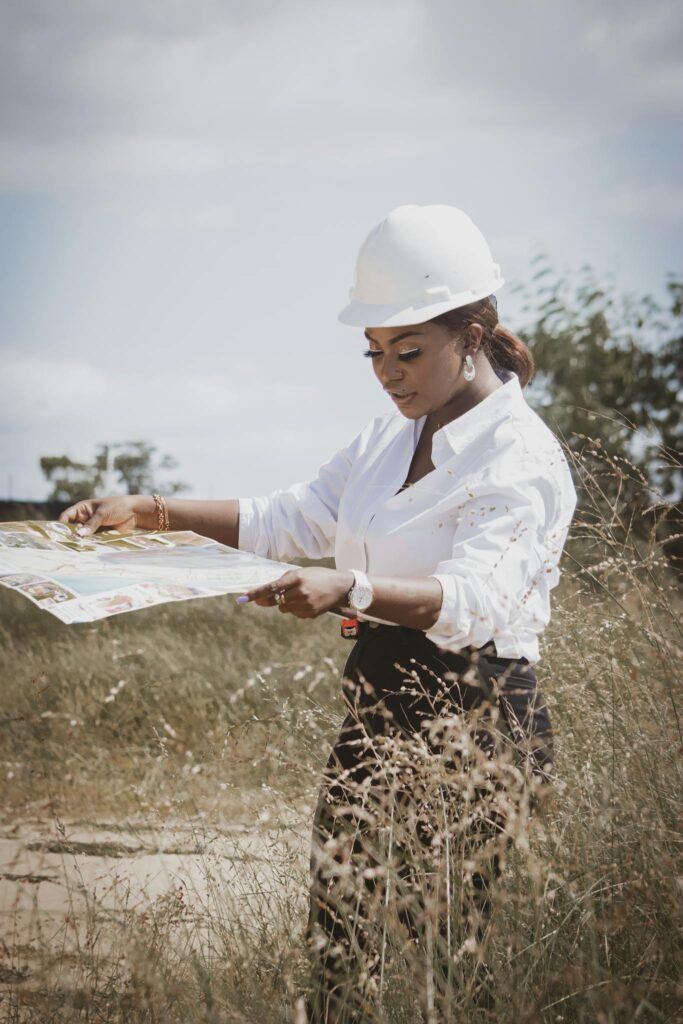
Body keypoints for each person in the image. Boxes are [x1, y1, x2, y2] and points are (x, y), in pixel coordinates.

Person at [60, 204, 577, 1022]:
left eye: (408, 351)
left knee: (452, 968)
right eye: (373, 353)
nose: (387, 372)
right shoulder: (381, 441)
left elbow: (477, 602)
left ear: (473, 336)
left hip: (478, 724)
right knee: (338, 948)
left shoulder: (521, 456)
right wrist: (154, 510)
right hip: (373, 707)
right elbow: (289, 516)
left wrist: (351, 590)